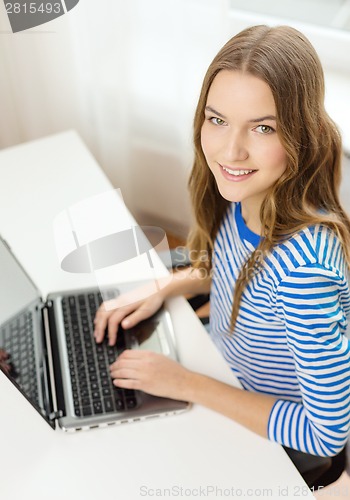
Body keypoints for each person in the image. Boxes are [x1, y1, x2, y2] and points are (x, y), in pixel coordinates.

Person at [93, 25, 350, 487]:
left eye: (263, 127)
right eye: (218, 120)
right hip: (222, 365)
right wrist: (165, 285)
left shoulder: (304, 272)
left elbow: (327, 433)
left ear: (301, 134)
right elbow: (231, 265)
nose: (230, 150)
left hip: (266, 428)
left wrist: (184, 384)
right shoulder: (249, 195)